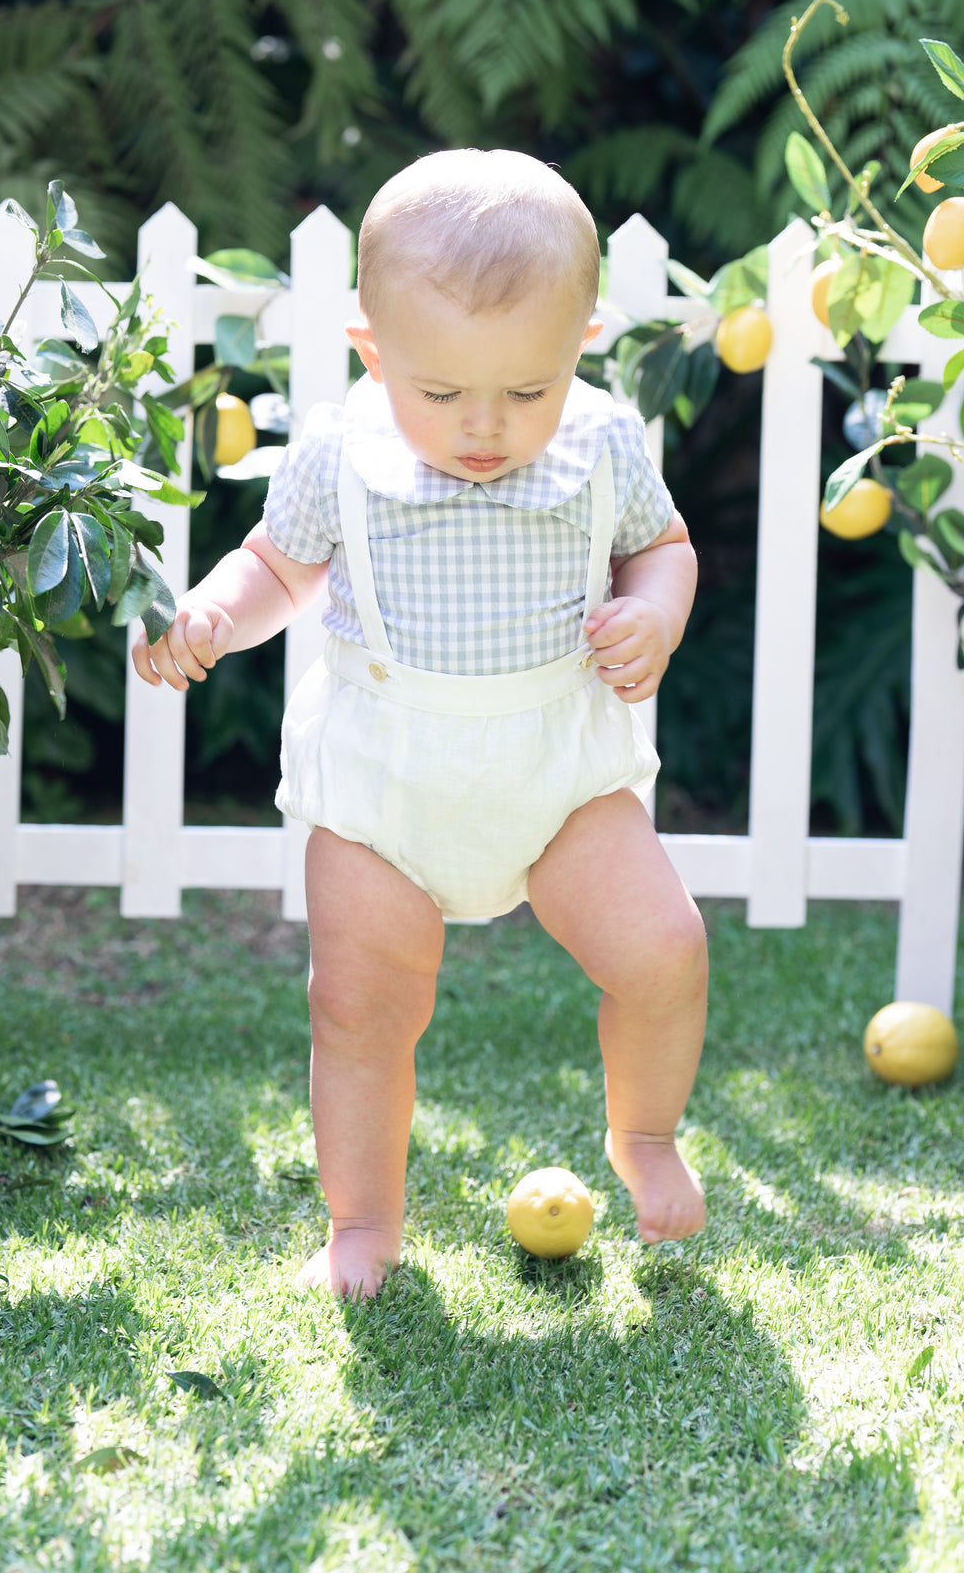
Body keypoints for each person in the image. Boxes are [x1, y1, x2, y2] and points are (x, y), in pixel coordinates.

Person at [132, 149, 708, 1299]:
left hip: (559, 783)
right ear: (371, 352)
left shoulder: (601, 443)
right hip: (385, 787)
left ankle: (643, 1133)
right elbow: (277, 571)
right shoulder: (340, 452)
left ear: (580, 348)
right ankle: (362, 1222)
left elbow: (664, 548)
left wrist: (653, 613)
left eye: (526, 391)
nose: (485, 427)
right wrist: (208, 616)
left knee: (663, 953)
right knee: (357, 1009)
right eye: (440, 393)